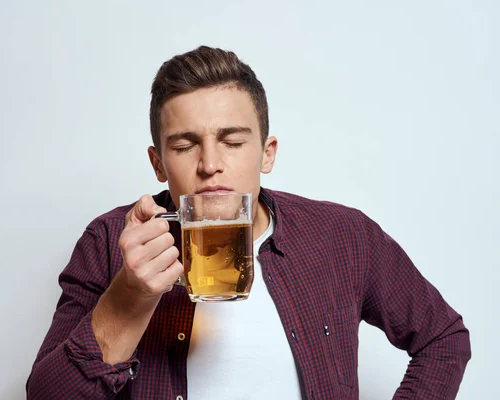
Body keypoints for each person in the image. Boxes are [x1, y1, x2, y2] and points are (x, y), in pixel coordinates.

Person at [26, 46, 471, 399]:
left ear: (267, 152)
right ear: (158, 163)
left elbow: (443, 337)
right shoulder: (110, 242)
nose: (210, 165)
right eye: (184, 146)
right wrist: (129, 298)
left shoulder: (343, 237)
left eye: (232, 141)